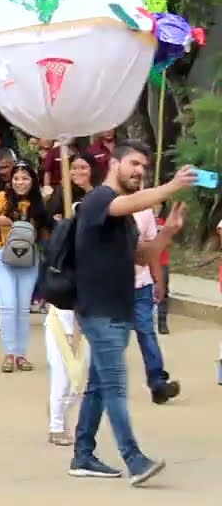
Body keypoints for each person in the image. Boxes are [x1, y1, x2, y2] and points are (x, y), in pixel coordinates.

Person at [67, 140, 192, 485]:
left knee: (98, 386)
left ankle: (82, 455)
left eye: (145, 168)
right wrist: (170, 186)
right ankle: (134, 459)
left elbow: (141, 255)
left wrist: (168, 232)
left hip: (119, 309)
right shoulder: (98, 201)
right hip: (99, 311)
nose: (140, 171)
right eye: (135, 164)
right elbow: (126, 203)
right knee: (116, 388)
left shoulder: (123, 216)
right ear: (114, 163)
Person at [0, 162, 51, 372]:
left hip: (29, 258)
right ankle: (9, 353)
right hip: (2, 254)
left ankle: (21, 354)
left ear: (33, 181)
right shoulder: (1, 199)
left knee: (22, 307)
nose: (20, 183)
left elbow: (47, 232)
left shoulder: (39, 203)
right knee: (8, 305)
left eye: (25, 178)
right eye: (17, 178)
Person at [131, 205, 180, 405]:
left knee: (146, 332)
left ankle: (158, 383)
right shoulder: (107, 204)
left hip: (141, 286)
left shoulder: (145, 212)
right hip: (112, 288)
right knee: (112, 340)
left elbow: (152, 250)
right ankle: (99, 387)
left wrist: (158, 280)